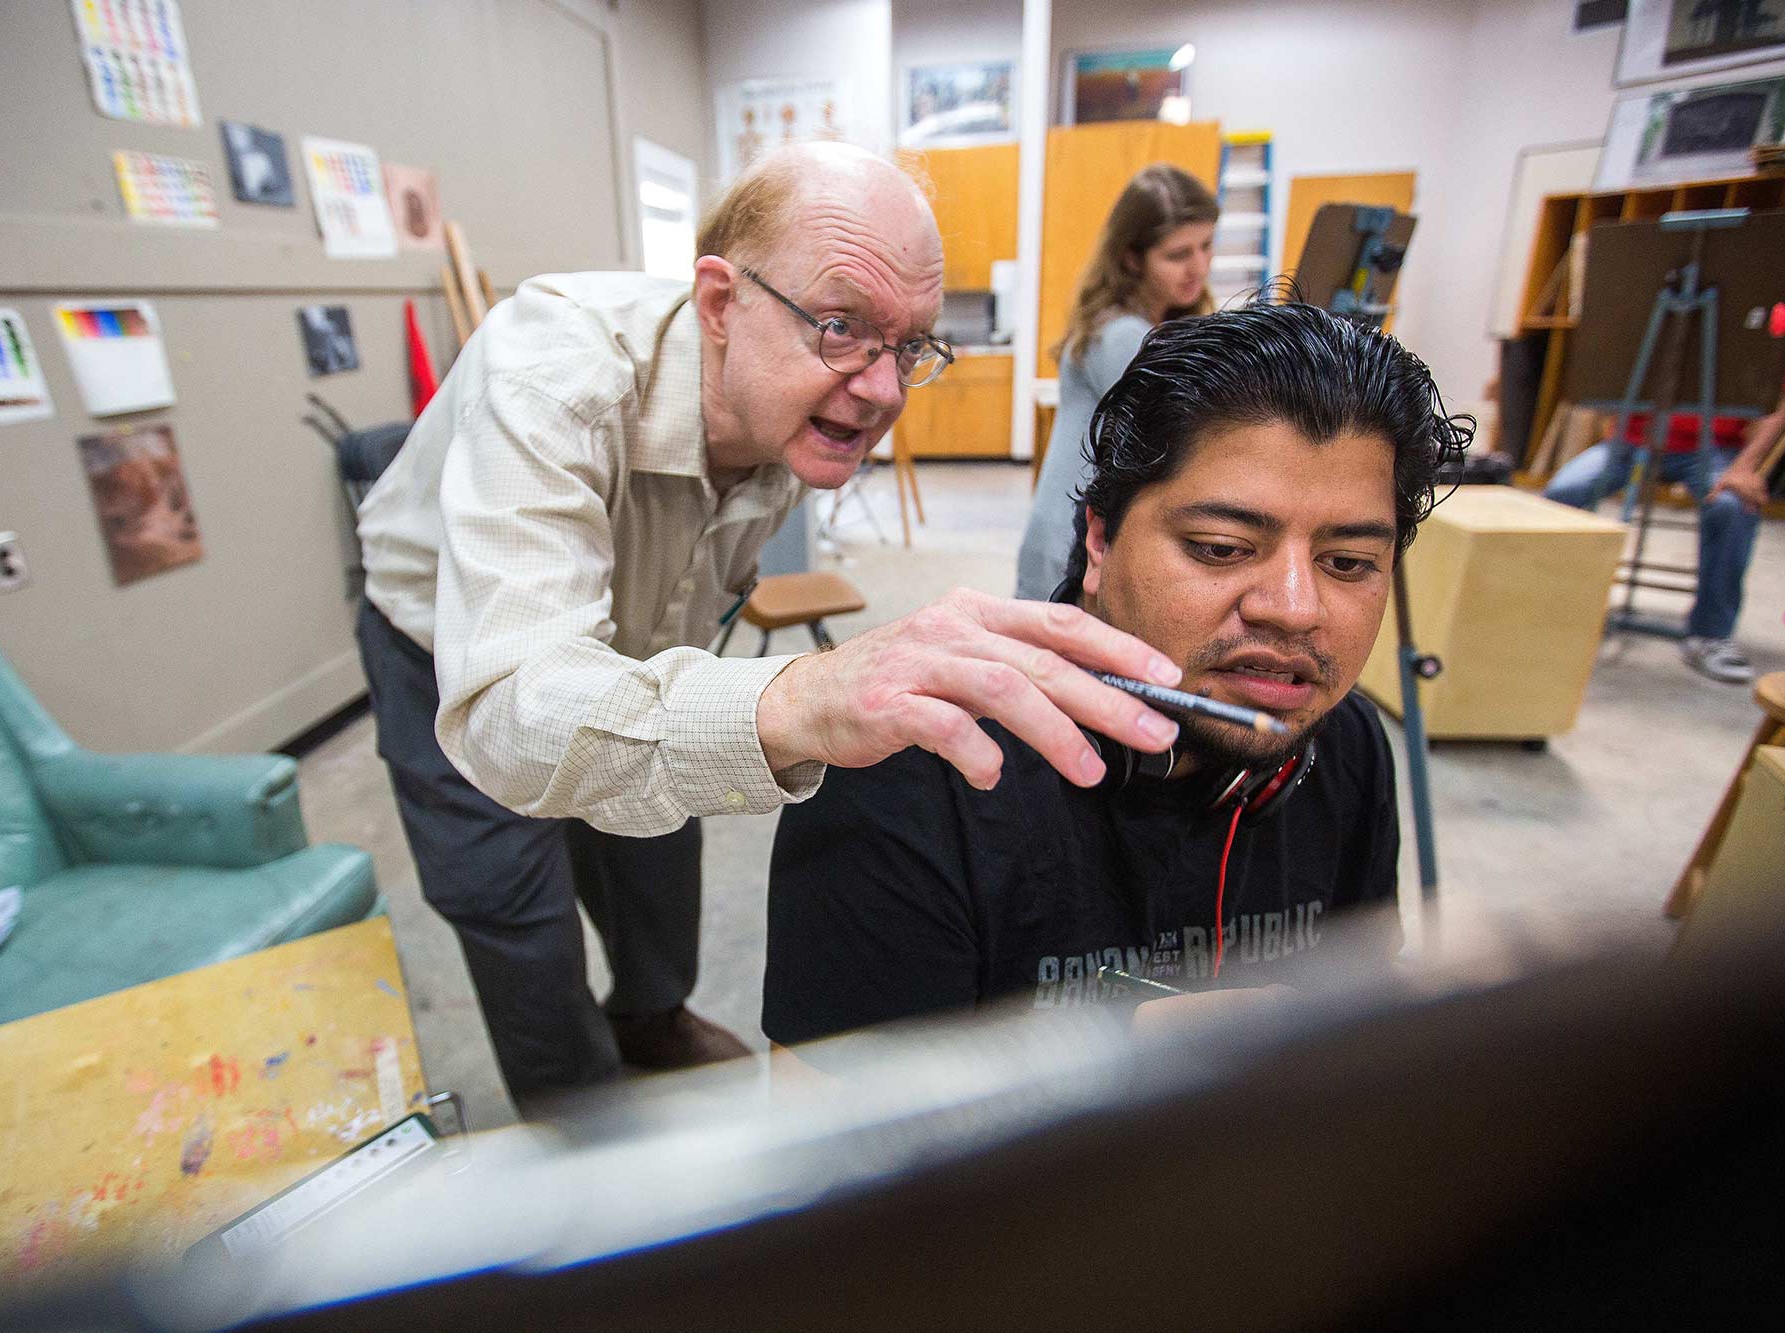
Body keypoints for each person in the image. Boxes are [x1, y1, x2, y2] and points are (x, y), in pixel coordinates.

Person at [354, 143, 1183, 1111]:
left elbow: (674, 683)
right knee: (509, 899)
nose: (881, 390)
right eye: (840, 326)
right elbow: (513, 709)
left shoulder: (783, 399)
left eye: (908, 343)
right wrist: (795, 696)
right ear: (716, 304)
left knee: (656, 828)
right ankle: (578, 1128)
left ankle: (651, 1014)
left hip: (643, 626)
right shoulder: (549, 369)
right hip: (448, 647)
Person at [763, 301, 1470, 1047]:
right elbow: (839, 1142)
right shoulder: (910, 771)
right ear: (1100, 538)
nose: (1295, 610)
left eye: (1349, 564)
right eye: (1222, 547)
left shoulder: (1348, 745)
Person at [1542, 324, 1785, 684]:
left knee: (1734, 507)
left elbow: (1779, 403)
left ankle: (1711, 634)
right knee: (1563, 492)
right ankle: (1549, 610)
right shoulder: (1647, 292)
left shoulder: (1783, 316)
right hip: (1633, 440)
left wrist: (1745, 466)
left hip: (1714, 448)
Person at [1014, 164, 1219, 600]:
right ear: (1131, 258)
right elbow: (1201, 427)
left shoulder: (1153, 325)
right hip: (1070, 550)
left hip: (1085, 537)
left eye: (1206, 246)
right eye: (1178, 255)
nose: (1198, 267)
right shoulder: (1120, 335)